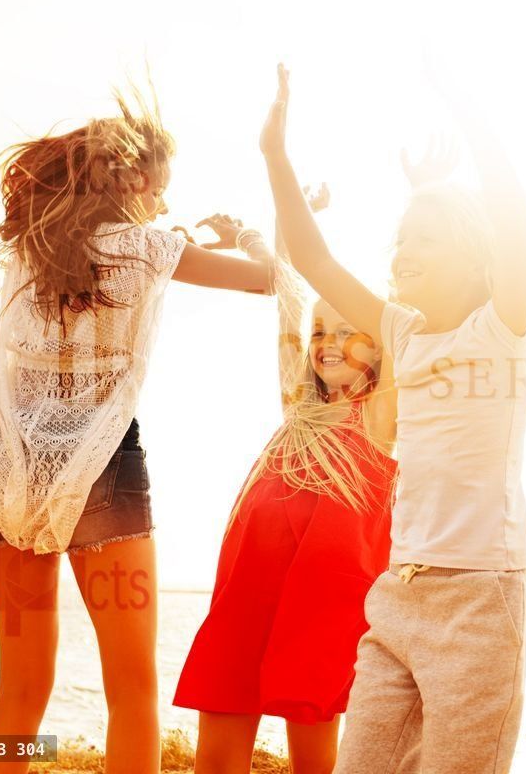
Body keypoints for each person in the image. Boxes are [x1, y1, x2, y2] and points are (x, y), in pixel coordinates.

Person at [0, 83, 304, 774]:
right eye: (161, 187)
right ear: (137, 178)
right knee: (131, 689)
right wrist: (244, 237)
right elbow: (271, 279)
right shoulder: (148, 249)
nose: (165, 204)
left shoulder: (31, 246)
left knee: (19, 690)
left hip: (6, 470)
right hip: (102, 470)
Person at [258, 62, 526, 773]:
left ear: (475, 257)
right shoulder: (400, 332)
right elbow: (315, 258)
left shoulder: (503, 326)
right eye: (401, 240)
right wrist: (275, 156)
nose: (405, 252)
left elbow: (510, 216)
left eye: (427, 240)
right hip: (398, 595)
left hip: (480, 598)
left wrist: (470, 110)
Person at [172, 192, 399, 774]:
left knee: (313, 748)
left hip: (324, 596)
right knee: (222, 716)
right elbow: (289, 295)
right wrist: (255, 235)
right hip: (250, 578)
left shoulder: (381, 413)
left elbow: (403, 330)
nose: (325, 343)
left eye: (346, 332)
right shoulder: (301, 405)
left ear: (379, 347)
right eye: (320, 332)